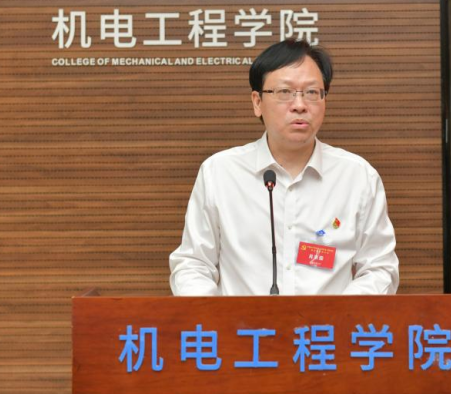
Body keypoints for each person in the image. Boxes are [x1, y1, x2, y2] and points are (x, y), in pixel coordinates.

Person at [169, 39, 399, 295]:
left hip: (328, 322)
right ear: (257, 102)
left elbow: (380, 268)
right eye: (285, 92)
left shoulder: (357, 177)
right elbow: (193, 264)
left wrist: (338, 314)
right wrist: (215, 315)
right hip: (242, 322)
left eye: (311, 92)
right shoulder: (220, 173)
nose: (299, 105)